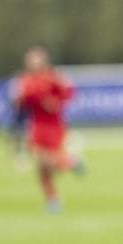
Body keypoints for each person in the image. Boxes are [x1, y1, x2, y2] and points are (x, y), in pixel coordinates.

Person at [14, 46, 83, 212]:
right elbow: (21, 102)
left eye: (37, 60)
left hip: (54, 127)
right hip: (37, 126)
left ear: (43, 61)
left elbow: (70, 93)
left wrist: (54, 102)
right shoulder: (25, 80)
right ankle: (53, 200)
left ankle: (69, 162)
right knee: (41, 166)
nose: (34, 63)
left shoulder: (52, 78)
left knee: (48, 163)